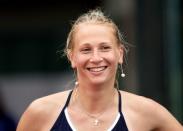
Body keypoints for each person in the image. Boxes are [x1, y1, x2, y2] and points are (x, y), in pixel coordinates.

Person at [16, 8, 183, 131]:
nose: (96, 58)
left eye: (104, 48)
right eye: (86, 49)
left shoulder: (145, 111)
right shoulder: (40, 113)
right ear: (72, 57)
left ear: (120, 54)